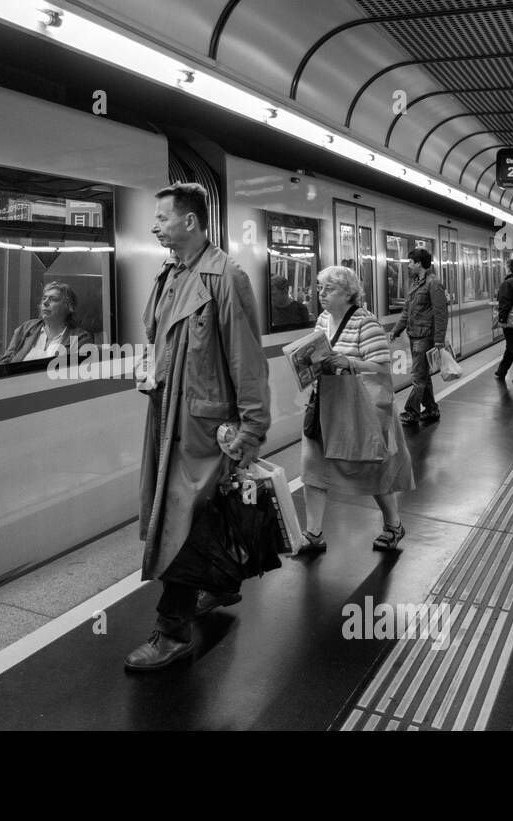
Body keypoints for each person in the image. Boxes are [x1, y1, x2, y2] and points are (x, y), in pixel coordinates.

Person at [127, 182, 270, 672]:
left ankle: (172, 632)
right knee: (190, 516)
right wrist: (147, 372)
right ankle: (221, 583)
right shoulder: (169, 275)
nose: (154, 226)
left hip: (206, 430)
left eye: (162, 218)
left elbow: (247, 359)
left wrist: (251, 430)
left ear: (189, 222)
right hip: (167, 420)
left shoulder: (224, 276)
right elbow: (160, 345)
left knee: (179, 523)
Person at [296, 266, 414, 555]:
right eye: (320, 288)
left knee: (371, 468)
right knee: (312, 468)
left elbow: (382, 368)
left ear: (348, 293)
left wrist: (349, 363)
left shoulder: (366, 323)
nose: (321, 294)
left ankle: (393, 524)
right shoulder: (323, 319)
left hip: (358, 409)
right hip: (324, 405)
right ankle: (313, 534)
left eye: (329, 289)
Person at [389, 247, 448, 425]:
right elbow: (407, 312)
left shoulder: (433, 283)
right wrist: (396, 330)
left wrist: (438, 339)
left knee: (417, 376)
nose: (408, 266)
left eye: (411, 263)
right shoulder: (415, 284)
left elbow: (440, 313)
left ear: (419, 263)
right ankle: (431, 409)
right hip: (414, 334)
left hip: (426, 336)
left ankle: (411, 412)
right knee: (423, 375)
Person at [0, 281, 94, 364]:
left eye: (53, 299)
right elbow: (4, 363)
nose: (45, 303)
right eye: (44, 298)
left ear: (67, 306)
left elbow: (76, 374)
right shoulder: (26, 328)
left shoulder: (80, 337)